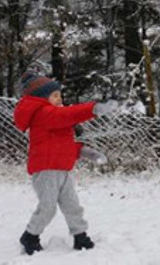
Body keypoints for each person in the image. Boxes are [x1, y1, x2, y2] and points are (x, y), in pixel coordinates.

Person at [13, 71, 118, 255]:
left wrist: (86, 152)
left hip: (62, 170)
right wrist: (94, 108)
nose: (59, 99)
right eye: (55, 95)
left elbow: (62, 144)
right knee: (47, 208)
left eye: (60, 95)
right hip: (46, 171)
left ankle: (80, 235)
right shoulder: (44, 113)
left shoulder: (53, 116)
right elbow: (69, 114)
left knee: (72, 204)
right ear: (42, 97)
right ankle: (30, 236)